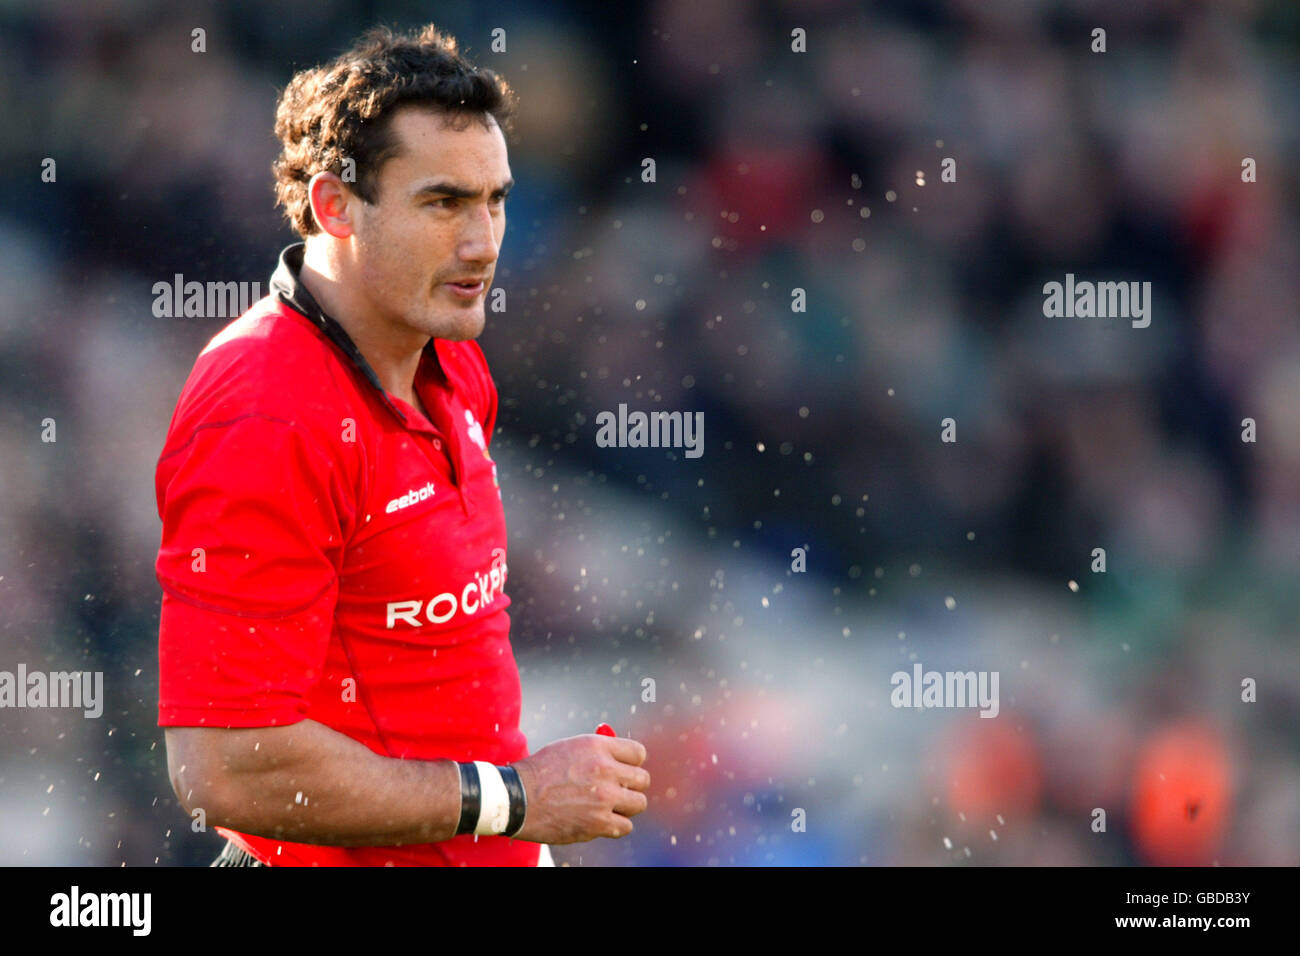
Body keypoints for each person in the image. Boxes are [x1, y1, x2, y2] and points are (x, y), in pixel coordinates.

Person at [154, 22, 649, 866]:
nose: (484, 242)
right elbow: (224, 767)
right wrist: (515, 799)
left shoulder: (450, 354)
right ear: (333, 204)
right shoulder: (262, 409)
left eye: (495, 199)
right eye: (443, 202)